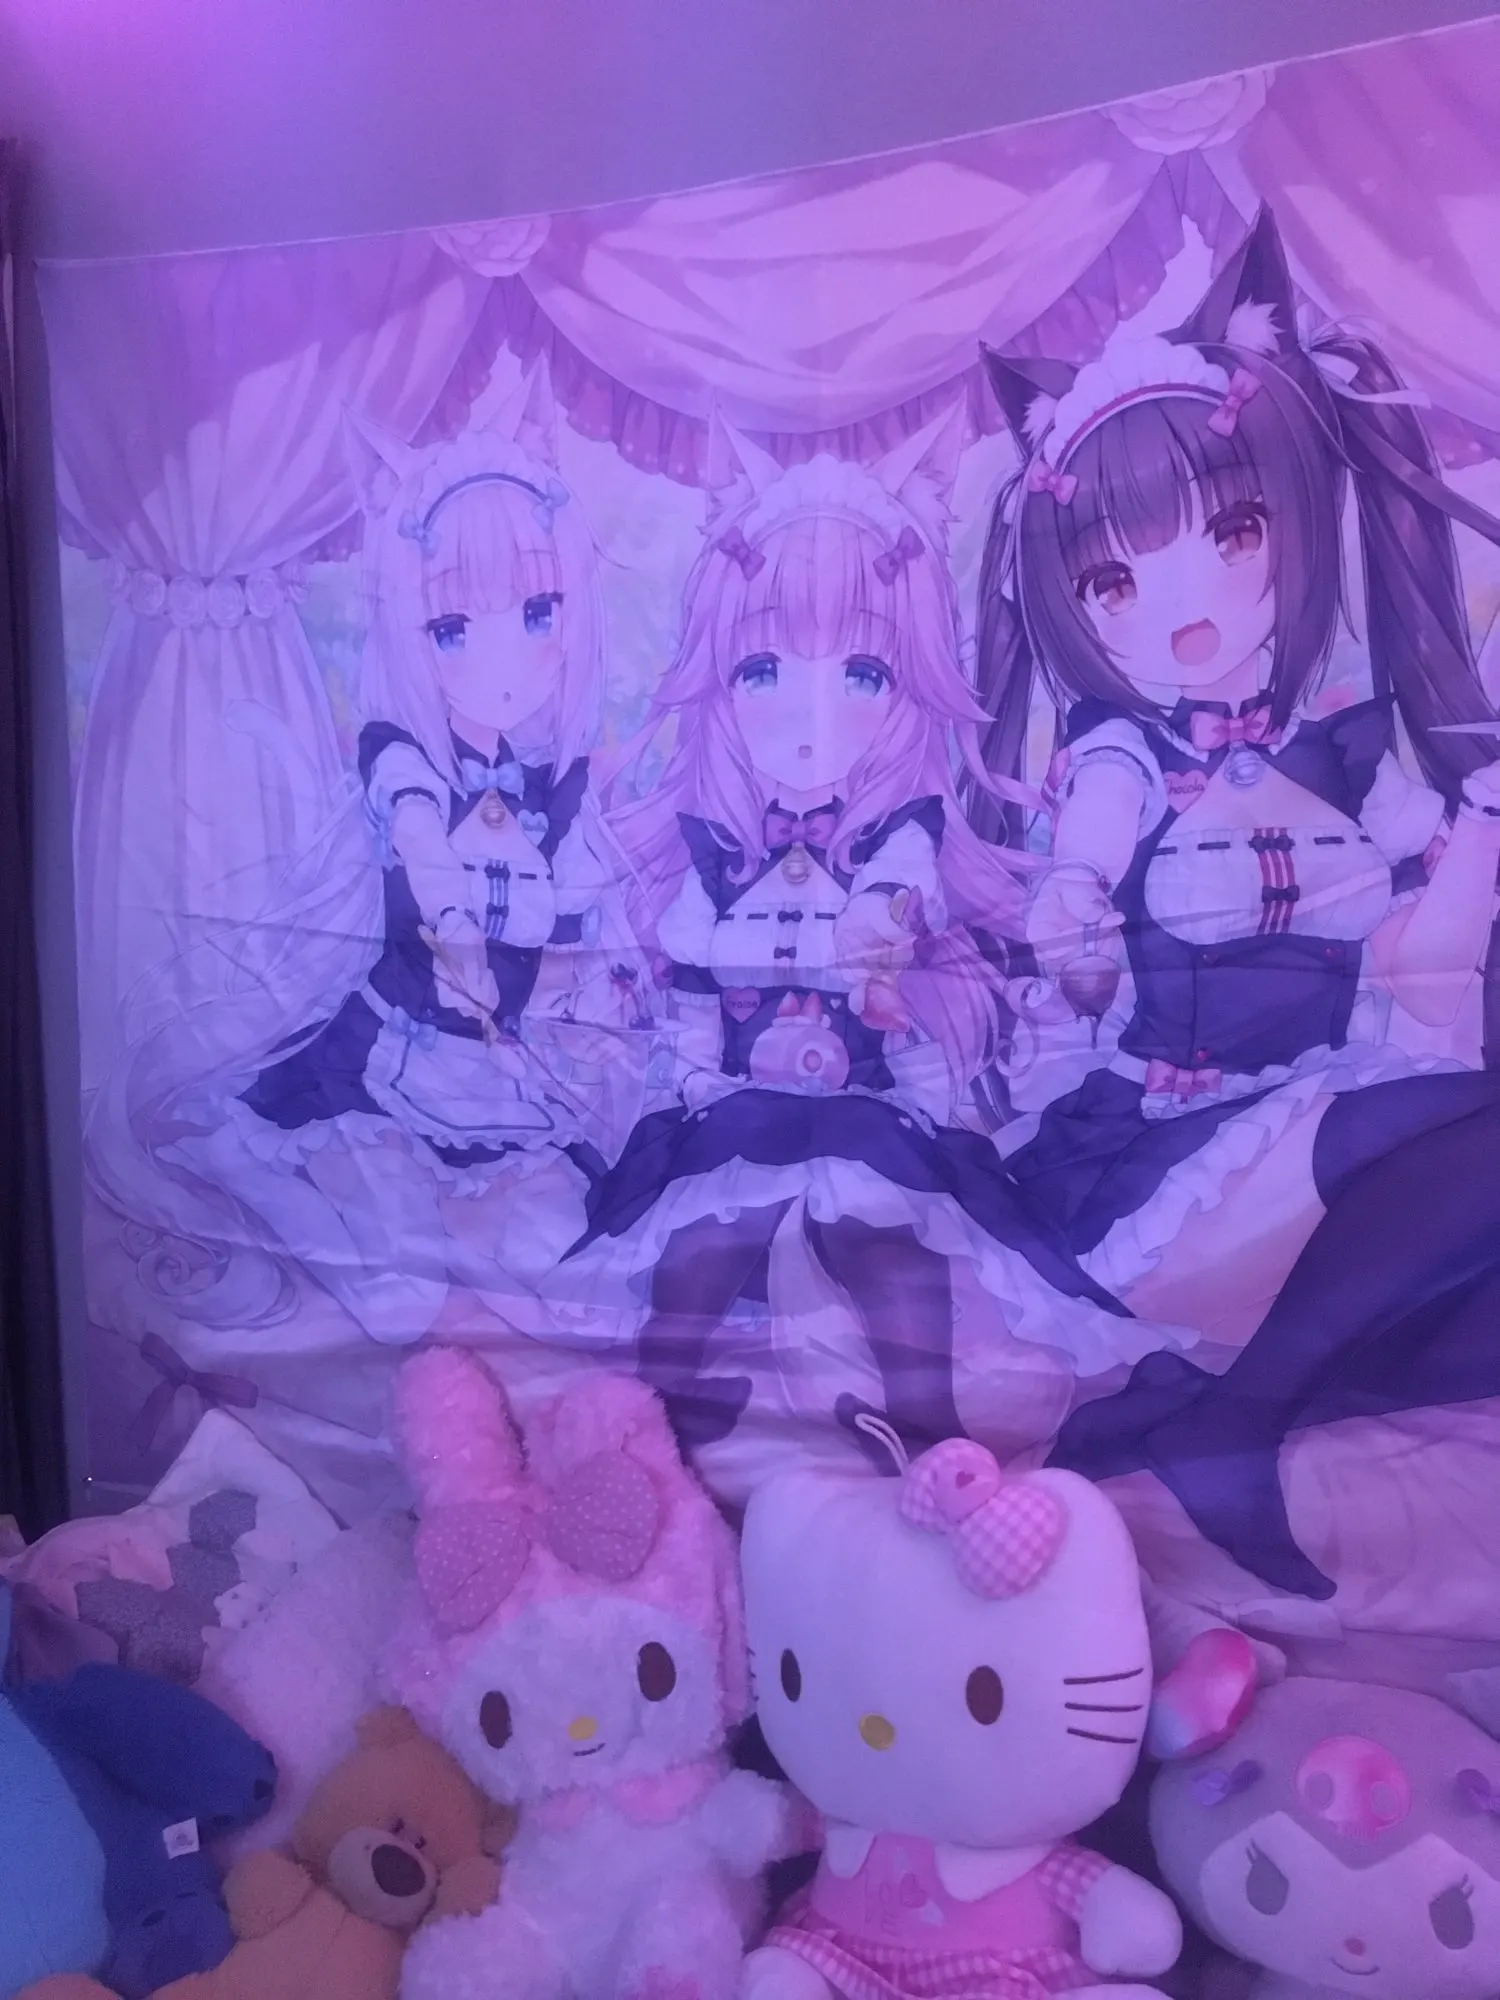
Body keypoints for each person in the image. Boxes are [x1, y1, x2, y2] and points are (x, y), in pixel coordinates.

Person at [975, 206, 1500, 1598]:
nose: (1188, 606)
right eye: (1118, 578)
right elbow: (1080, 870)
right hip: (1176, 1162)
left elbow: (1430, 939)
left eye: (1232, 533)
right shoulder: (1122, 759)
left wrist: (1485, 823)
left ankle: (1199, 1408)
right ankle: (1237, 1418)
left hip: (1321, 1125)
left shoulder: (1345, 751)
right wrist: (1070, 913)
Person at [556, 409, 1147, 1461]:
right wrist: (692, 1084)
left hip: (866, 1104)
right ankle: (661, 1421)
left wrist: (922, 1086)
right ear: (718, 683)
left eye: (863, 675)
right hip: (736, 1103)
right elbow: (693, 1004)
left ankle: (930, 1433)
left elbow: (898, 927)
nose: (808, 718)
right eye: (762, 670)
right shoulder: (711, 855)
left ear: (907, 689)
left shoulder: (899, 838)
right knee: (706, 1237)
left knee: (891, 1243)